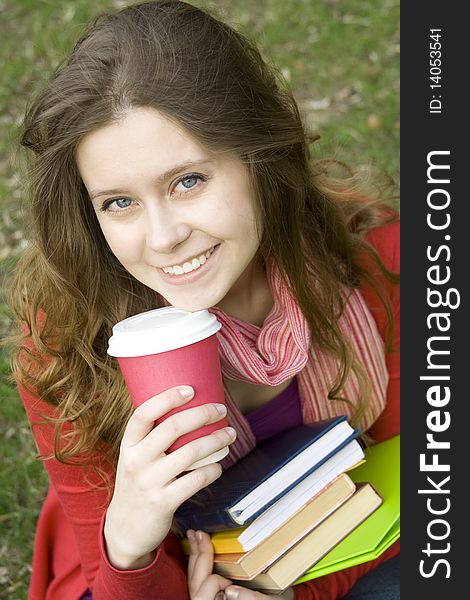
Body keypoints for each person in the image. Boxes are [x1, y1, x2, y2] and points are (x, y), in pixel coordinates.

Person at [8, 1, 399, 599]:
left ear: (259, 159)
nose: (163, 237)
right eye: (119, 202)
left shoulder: (378, 263)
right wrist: (132, 541)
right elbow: (123, 584)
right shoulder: (66, 347)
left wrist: (294, 595)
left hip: (345, 548)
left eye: (187, 181)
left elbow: (426, 483)